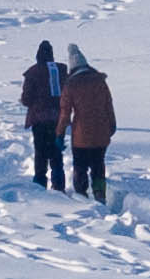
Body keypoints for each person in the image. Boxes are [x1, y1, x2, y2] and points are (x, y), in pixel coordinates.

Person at [59, 43, 115, 201]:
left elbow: (65, 113)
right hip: (101, 133)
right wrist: (111, 126)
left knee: (80, 167)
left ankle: (81, 196)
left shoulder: (71, 85)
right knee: (98, 166)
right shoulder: (100, 81)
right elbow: (108, 105)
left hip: (81, 135)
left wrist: (59, 133)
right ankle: (99, 194)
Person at [18, 40, 64, 187]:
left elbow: (26, 99)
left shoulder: (33, 72)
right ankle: (59, 183)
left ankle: (40, 183)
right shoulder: (61, 70)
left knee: (40, 152)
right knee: (56, 151)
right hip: (58, 117)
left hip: (39, 118)